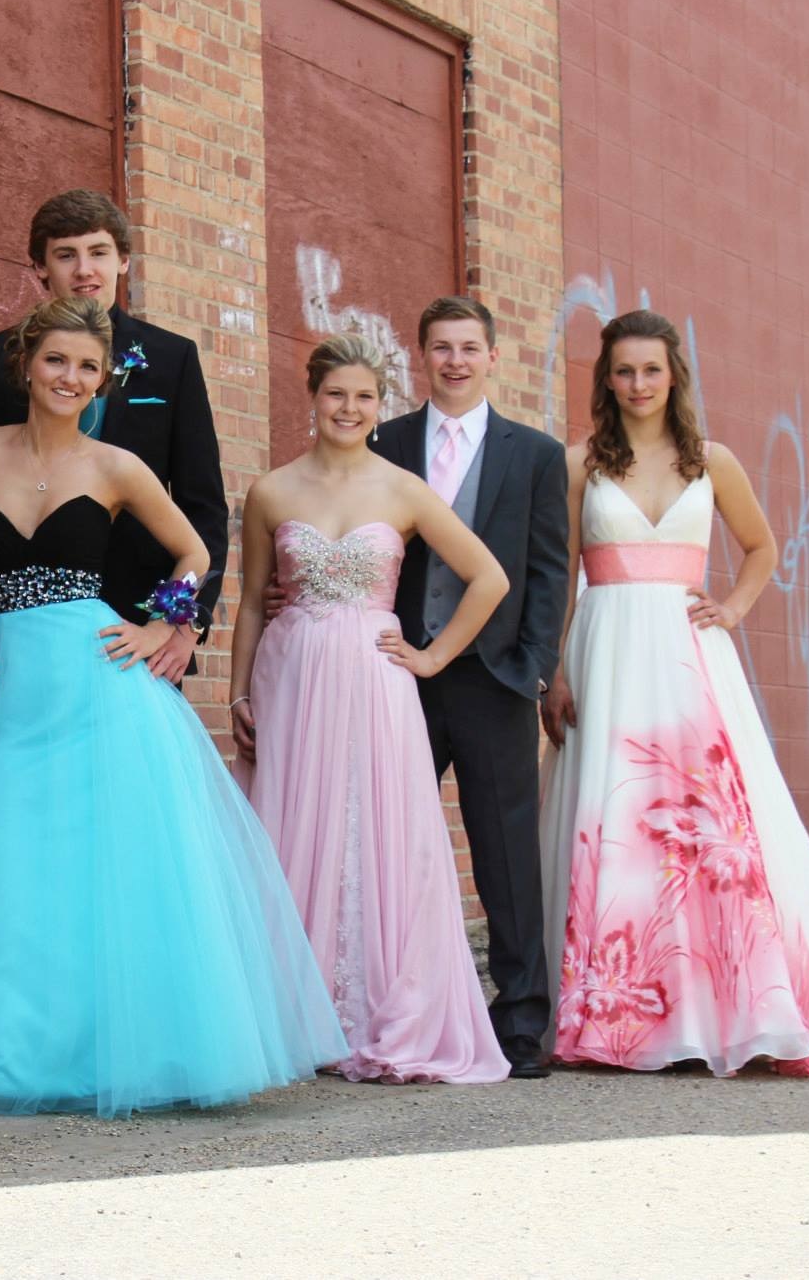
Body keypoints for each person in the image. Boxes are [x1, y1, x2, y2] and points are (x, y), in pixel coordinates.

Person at [0, 296, 347, 1116]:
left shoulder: (116, 465)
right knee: (4, 862)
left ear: (103, 378)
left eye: (88, 367)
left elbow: (194, 545)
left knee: (106, 869)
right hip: (8, 691)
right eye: (57, 361)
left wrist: (164, 619)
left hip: (99, 681)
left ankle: (117, 1050)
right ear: (26, 365)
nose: (71, 378)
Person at [539, 309, 809, 1075]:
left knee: (712, 827)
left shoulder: (713, 459)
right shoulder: (580, 465)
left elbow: (764, 546)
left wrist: (730, 609)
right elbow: (558, 573)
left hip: (689, 654)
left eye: (652, 370)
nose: (638, 384)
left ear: (675, 376)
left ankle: (731, 1002)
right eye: (624, 370)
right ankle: (618, 1015)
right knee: (620, 823)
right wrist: (557, 670)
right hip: (604, 649)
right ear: (606, 378)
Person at [269, 296, 568, 1078]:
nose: (456, 360)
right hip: (383, 674)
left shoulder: (532, 452)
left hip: (491, 675)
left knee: (504, 851)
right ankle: (366, 999)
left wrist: (533, 667)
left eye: (470, 347)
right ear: (423, 357)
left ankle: (522, 1024)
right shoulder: (384, 439)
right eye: (441, 347)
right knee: (376, 841)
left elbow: (541, 571)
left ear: (491, 356)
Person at [233, 333, 511, 1083]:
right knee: (296, 826)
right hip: (291, 679)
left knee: (379, 830)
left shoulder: (403, 489)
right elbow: (253, 606)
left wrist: (432, 656)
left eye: (363, 397)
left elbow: (488, 577)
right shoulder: (271, 491)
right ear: (313, 398)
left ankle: (383, 1008)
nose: (348, 408)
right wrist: (238, 690)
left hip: (374, 681)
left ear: (378, 407)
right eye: (335, 394)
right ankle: (297, 1010)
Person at [0, 188, 227, 694]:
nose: (84, 270)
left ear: (124, 261)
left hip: (137, 645)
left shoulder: (173, 359)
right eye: (66, 255)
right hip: (20, 644)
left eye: (99, 253)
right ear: (41, 269)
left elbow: (203, 507)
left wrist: (182, 623)